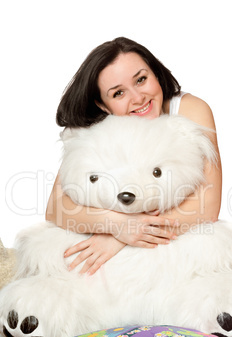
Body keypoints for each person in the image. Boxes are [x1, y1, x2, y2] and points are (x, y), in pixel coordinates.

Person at [46, 37, 222, 275]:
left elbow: (207, 206)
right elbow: (56, 208)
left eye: (141, 79)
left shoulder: (190, 110)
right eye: (118, 93)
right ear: (103, 105)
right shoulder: (96, 126)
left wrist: (122, 237)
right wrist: (118, 226)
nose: (138, 98)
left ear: (155, 73)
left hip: (177, 244)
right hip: (110, 253)